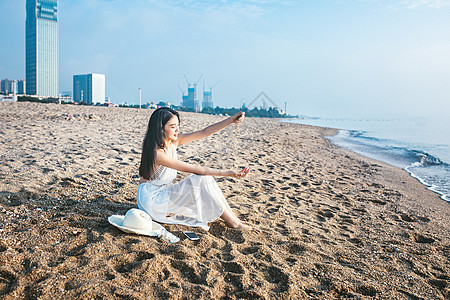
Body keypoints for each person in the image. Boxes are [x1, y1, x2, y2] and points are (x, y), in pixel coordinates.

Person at [137, 107, 260, 233]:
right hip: (152, 200)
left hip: (163, 192)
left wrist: (231, 120)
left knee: (204, 180)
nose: (177, 130)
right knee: (201, 179)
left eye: (178, 125)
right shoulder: (158, 154)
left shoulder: (173, 141)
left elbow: (204, 132)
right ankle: (233, 222)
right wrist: (228, 173)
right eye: (173, 126)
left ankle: (235, 219)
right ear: (161, 128)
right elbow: (195, 169)